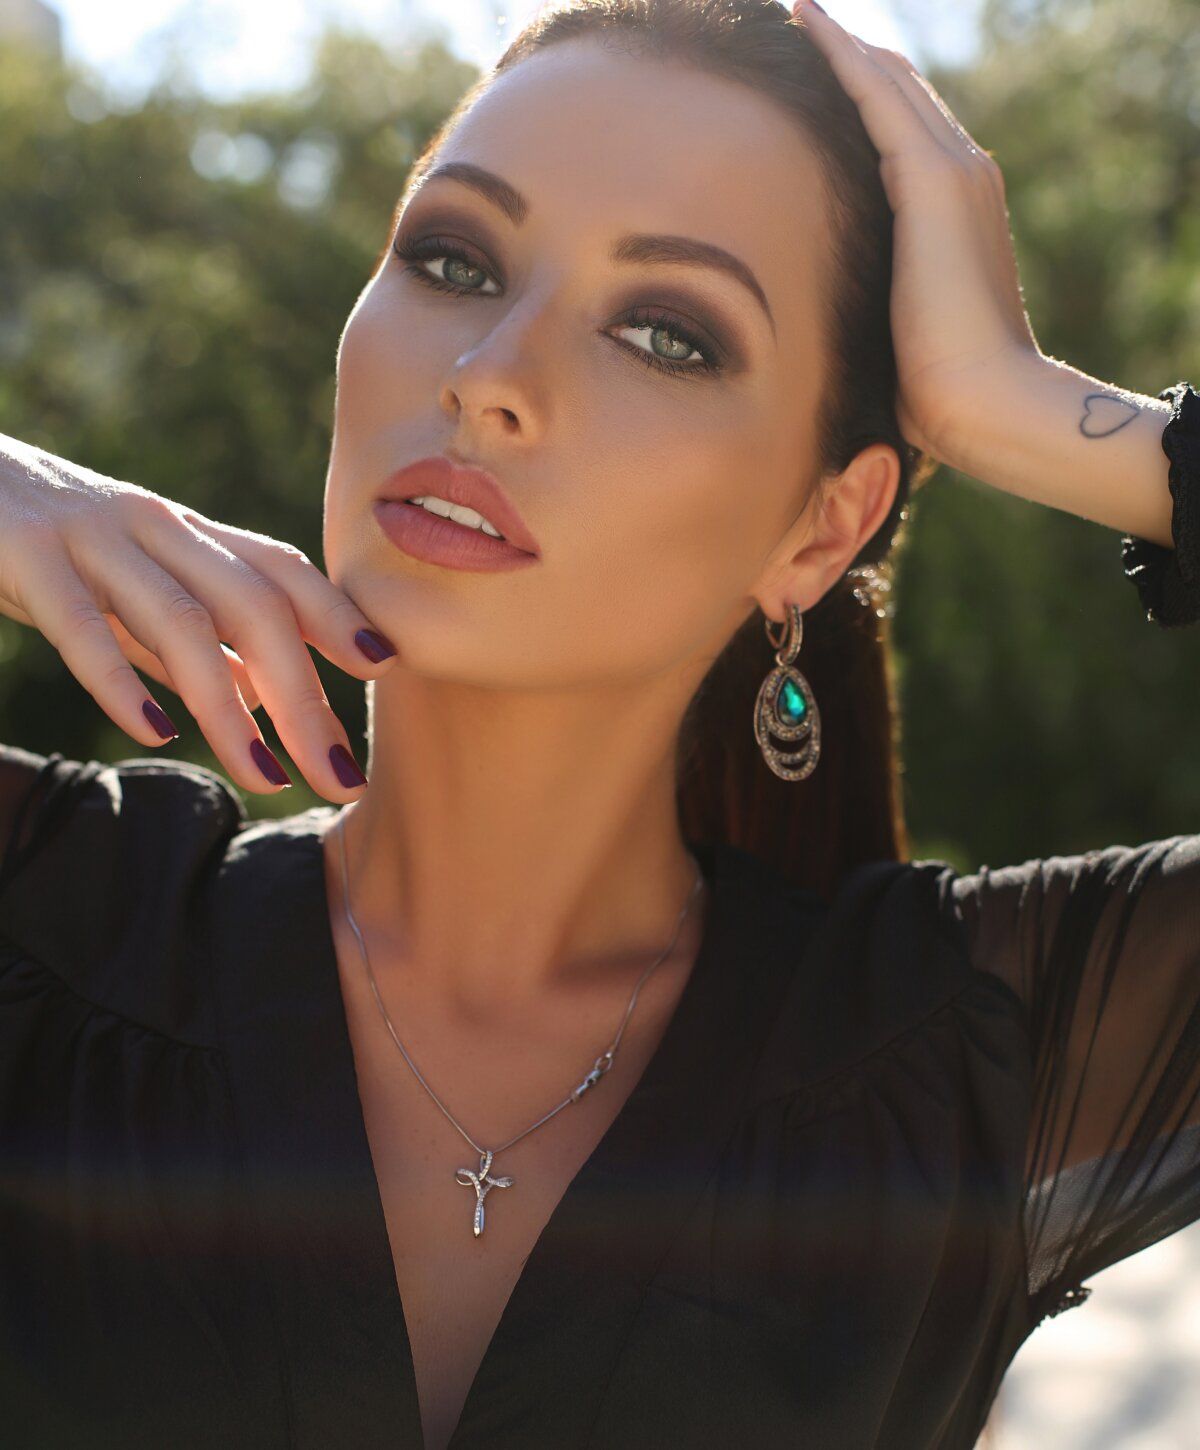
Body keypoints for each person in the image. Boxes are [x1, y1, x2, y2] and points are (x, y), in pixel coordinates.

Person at [0, 2, 1197, 1447]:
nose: (488, 374)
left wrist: (1022, 409)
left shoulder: (975, 1058)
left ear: (825, 530)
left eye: (666, 333)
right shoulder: (46, 918)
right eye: (453, 259)